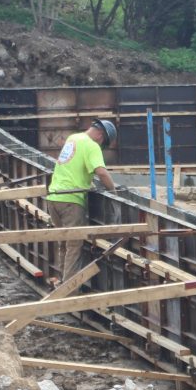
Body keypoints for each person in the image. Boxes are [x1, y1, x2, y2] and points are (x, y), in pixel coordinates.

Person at [46, 119, 119, 286]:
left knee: (63, 242)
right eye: (103, 144)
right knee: (74, 245)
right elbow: (102, 172)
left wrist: (87, 183)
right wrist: (113, 192)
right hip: (71, 201)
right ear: (101, 135)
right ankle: (69, 291)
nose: (101, 147)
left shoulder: (74, 138)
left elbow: (74, 168)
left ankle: (61, 283)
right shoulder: (92, 145)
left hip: (54, 197)